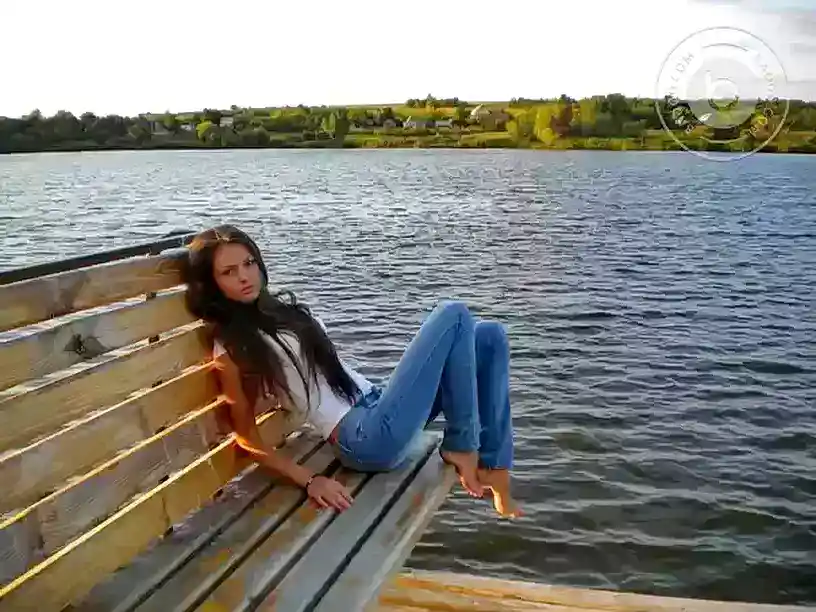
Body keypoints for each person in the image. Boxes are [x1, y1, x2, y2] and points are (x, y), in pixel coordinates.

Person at [183, 224, 521, 518]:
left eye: (249, 263)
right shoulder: (231, 347)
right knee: (453, 314)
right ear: (213, 285)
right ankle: (462, 444)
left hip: (375, 403)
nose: (244, 276)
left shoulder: (279, 313)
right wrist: (310, 480)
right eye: (228, 272)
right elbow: (246, 438)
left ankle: (494, 466)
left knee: (489, 337)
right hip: (363, 438)